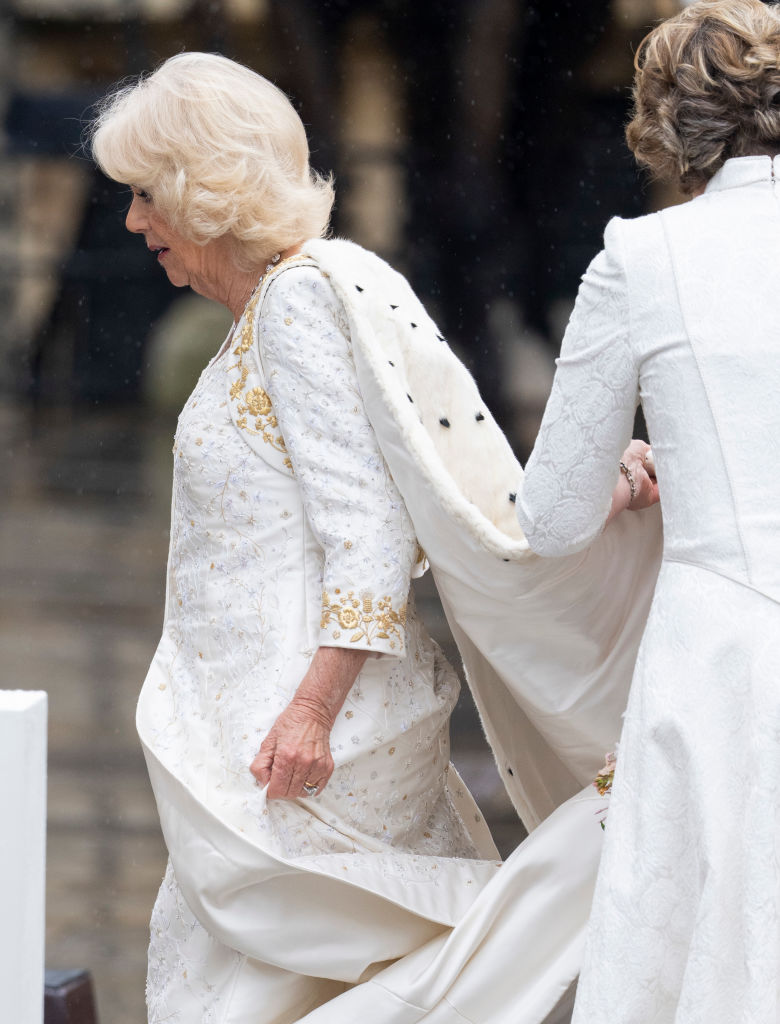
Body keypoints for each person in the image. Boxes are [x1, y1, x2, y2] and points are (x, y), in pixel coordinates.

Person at [91, 52, 661, 1024]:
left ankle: (593, 890)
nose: (136, 219)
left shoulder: (297, 304)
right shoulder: (266, 315)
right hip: (276, 753)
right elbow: (428, 480)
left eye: (147, 194)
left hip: (306, 761)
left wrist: (312, 710)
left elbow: (373, 529)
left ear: (204, 187)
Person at [516, 1, 780, 1020]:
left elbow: (553, 519)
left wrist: (635, 461)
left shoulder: (641, 258)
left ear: (663, 125)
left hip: (715, 650)